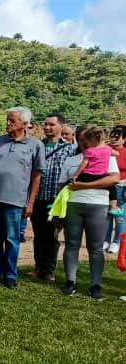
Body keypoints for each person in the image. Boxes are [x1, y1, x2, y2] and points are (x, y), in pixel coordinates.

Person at [0, 107, 44, 288]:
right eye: (7, 120)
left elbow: (36, 176)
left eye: (12, 121)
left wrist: (30, 203)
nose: (7, 123)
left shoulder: (35, 145)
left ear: (25, 123)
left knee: (11, 239)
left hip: (15, 201)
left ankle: (9, 274)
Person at [57, 126, 119, 300]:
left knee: (96, 247)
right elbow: (62, 185)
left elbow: (114, 178)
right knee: (71, 244)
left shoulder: (107, 155)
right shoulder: (71, 160)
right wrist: (57, 210)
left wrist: (83, 185)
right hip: (73, 205)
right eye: (82, 138)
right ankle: (70, 281)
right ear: (78, 140)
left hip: (98, 204)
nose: (85, 141)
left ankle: (95, 285)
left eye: (88, 138)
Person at [29, 114, 75, 281]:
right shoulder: (37, 146)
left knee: (52, 236)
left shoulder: (70, 149)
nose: (47, 127)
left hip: (56, 200)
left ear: (61, 126)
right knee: (38, 234)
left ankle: (49, 270)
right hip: (37, 198)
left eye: (52, 124)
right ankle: (38, 267)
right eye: (45, 124)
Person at [107, 127, 125, 255]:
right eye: (112, 136)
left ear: (124, 140)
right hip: (107, 186)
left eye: (117, 137)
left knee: (120, 217)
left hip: (121, 187)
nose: (113, 139)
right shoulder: (105, 150)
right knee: (106, 215)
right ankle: (106, 240)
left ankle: (117, 242)